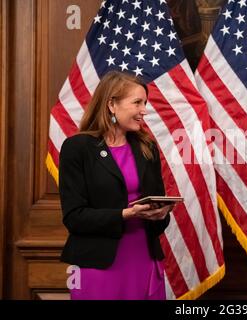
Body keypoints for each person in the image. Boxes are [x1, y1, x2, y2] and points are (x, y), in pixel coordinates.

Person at [59, 71, 173, 300]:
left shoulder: (146, 147)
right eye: (137, 103)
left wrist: (161, 214)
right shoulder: (77, 148)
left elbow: (158, 208)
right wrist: (124, 214)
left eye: (145, 103)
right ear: (112, 104)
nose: (144, 110)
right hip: (97, 265)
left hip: (144, 259)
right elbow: (74, 217)